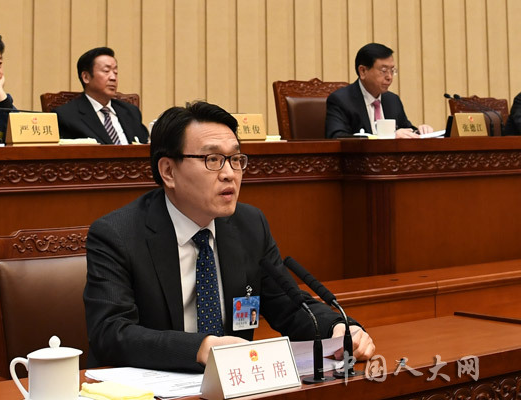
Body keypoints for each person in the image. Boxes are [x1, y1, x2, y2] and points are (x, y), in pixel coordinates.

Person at [84, 101, 375, 372]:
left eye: (235, 159)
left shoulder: (249, 225)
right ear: (168, 171)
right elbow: (110, 333)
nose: (230, 174)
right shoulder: (118, 234)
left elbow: (288, 305)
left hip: (234, 383)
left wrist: (338, 328)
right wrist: (200, 348)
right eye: (213, 159)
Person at [325, 43, 433, 139]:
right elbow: (337, 137)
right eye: (384, 70)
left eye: (392, 70)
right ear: (363, 71)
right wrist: (389, 137)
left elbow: (405, 129)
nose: (389, 77)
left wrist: (419, 132)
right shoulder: (341, 100)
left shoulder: (392, 100)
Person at [55, 47, 149, 144]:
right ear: (86, 77)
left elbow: (145, 146)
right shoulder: (66, 116)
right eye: (106, 71)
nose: (113, 78)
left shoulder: (131, 112)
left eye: (115, 72)